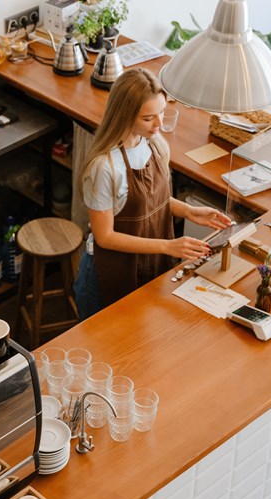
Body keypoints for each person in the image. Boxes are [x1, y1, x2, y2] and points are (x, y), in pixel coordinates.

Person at [74, 68, 232, 318]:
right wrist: (168, 246)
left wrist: (190, 211)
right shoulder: (103, 167)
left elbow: (150, 200)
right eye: (149, 118)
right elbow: (105, 237)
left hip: (150, 267)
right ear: (124, 116)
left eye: (161, 112)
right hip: (110, 274)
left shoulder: (155, 145)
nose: (159, 124)